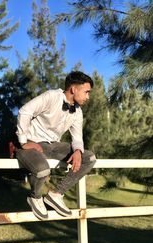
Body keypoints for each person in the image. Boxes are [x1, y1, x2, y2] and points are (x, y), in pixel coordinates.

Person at [16, 71, 96, 220]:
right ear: (74, 89)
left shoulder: (77, 111)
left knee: (89, 158)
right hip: (33, 145)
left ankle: (56, 194)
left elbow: (77, 137)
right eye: (86, 92)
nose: (88, 97)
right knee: (42, 170)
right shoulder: (52, 96)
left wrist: (78, 150)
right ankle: (35, 197)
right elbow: (25, 111)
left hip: (54, 146)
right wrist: (24, 141)